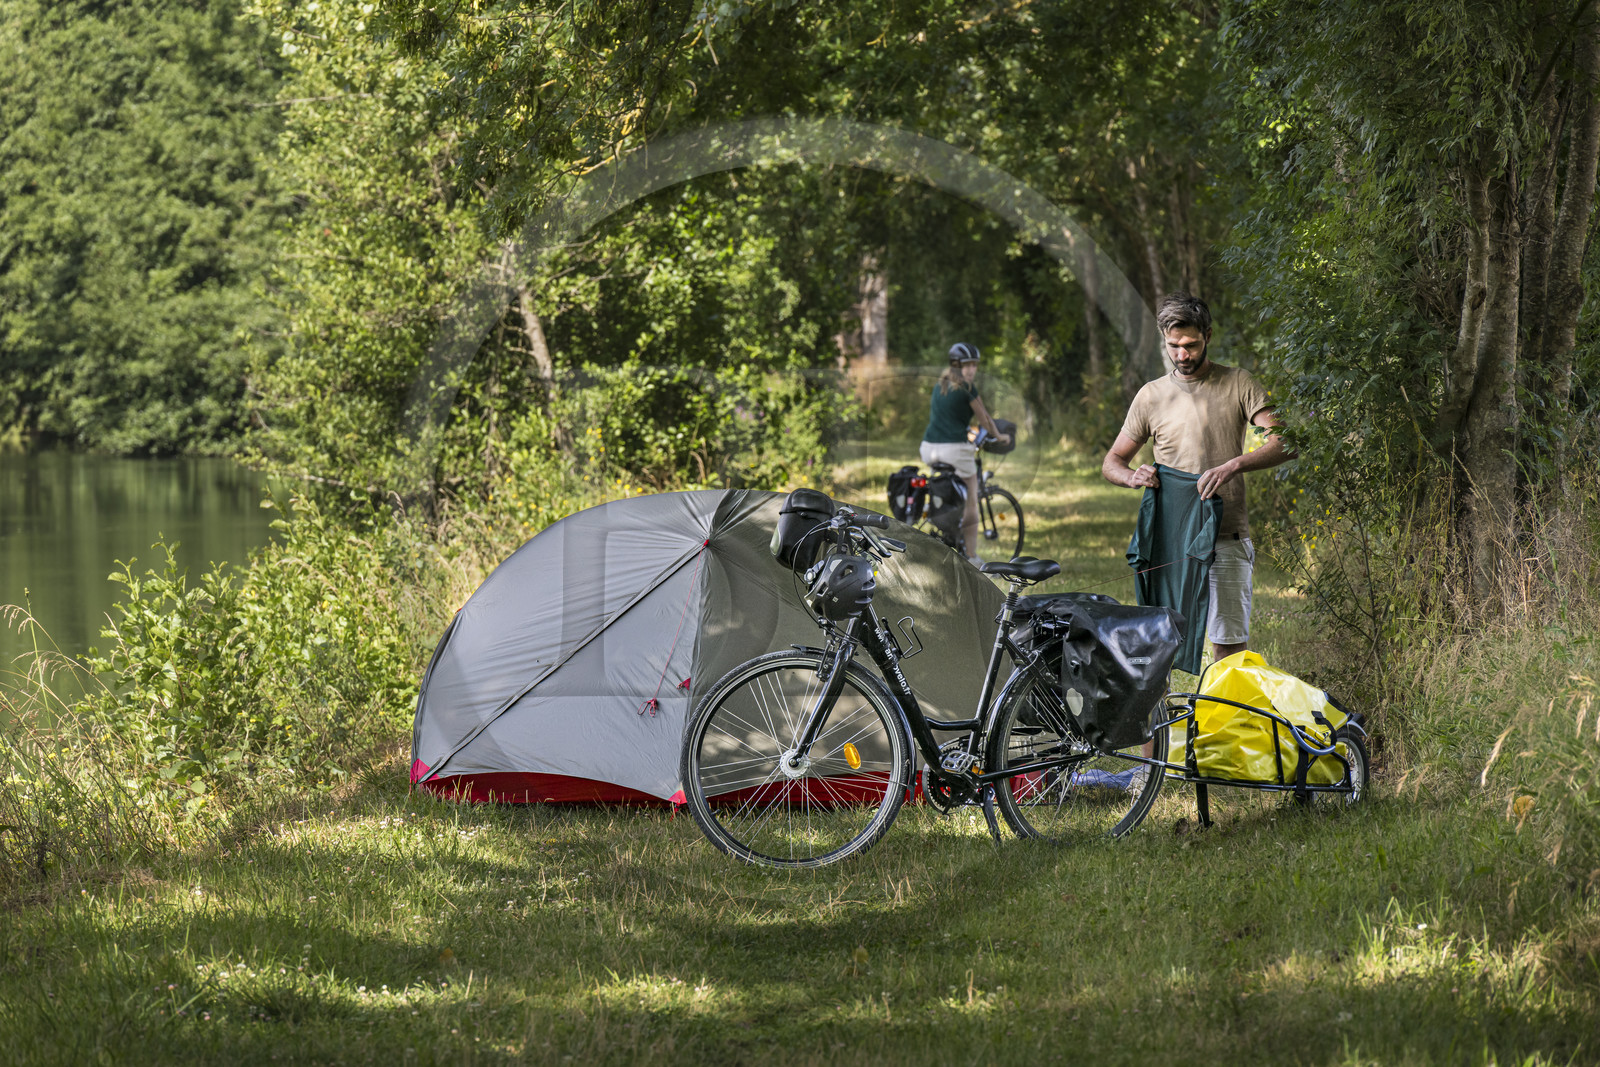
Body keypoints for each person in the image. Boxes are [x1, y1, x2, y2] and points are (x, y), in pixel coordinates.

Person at [1102, 293, 1292, 663]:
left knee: (1229, 647)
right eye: (1173, 346)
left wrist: (1233, 465)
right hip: (1169, 539)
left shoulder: (1239, 383)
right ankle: (1162, 721)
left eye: (1190, 345)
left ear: (1208, 334)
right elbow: (1112, 461)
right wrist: (1132, 476)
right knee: (1159, 645)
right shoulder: (1151, 396)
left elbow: (1286, 442)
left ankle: (1224, 720)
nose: (1182, 355)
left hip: (1227, 532)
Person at [921, 342, 1012, 564]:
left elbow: (948, 419)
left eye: (974, 365)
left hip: (928, 448)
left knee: (948, 485)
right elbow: (986, 421)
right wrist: (1001, 437)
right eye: (967, 365)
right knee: (972, 498)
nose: (972, 370)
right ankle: (971, 556)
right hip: (953, 450)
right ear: (956, 365)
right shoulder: (968, 388)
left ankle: (937, 515)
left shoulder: (939, 385)